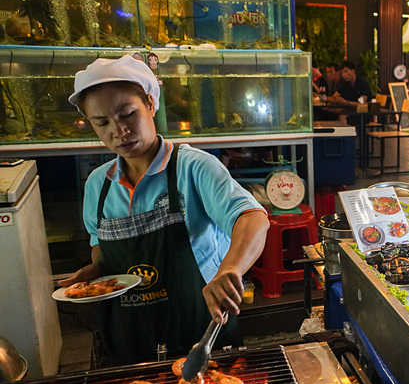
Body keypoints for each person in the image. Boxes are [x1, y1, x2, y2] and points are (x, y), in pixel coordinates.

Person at [58, 55, 269, 366]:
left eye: (128, 114)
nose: (119, 131)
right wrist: (96, 275)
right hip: (128, 339)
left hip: (200, 331)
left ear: (150, 104)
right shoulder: (97, 185)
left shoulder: (192, 167)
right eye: (101, 122)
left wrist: (230, 269)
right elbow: (100, 249)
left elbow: (251, 218)